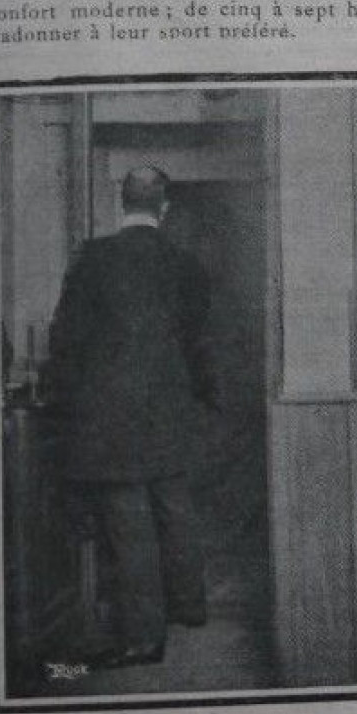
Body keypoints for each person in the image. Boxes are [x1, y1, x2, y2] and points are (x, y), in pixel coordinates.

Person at [44, 166, 214, 669]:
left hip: (109, 416)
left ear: (122, 205)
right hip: (170, 410)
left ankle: (143, 638)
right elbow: (196, 338)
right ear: (164, 208)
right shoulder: (185, 265)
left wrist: (62, 399)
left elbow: (66, 341)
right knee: (176, 509)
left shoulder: (93, 259)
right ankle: (189, 607)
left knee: (129, 526)